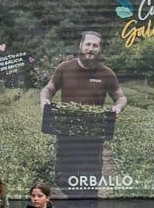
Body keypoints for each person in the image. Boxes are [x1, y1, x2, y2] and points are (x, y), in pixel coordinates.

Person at [39, 31, 126, 194]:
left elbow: (120, 97)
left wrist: (118, 107)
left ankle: (88, 206)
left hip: (93, 136)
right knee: (64, 178)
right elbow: (49, 88)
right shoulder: (65, 67)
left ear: (100, 49)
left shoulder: (106, 73)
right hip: (66, 133)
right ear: (81, 45)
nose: (91, 48)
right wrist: (45, 100)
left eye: (95, 45)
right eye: (88, 44)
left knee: (90, 179)